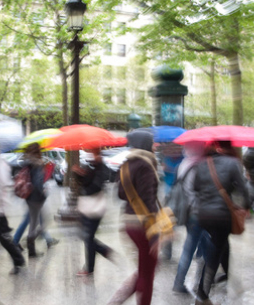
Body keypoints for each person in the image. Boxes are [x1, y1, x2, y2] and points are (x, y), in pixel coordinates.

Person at [190, 141, 248, 305]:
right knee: (214, 254)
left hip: (203, 215)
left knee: (220, 244)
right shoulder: (233, 163)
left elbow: (195, 187)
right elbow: (243, 188)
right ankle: (202, 294)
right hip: (222, 215)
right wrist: (246, 206)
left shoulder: (200, 164)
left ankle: (227, 274)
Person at [109, 131, 160, 305]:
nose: (154, 146)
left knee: (144, 269)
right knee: (147, 274)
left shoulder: (126, 165)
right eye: (152, 143)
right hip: (144, 225)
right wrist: (155, 236)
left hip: (129, 223)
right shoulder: (146, 165)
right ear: (146, 144)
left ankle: (116, 300)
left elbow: (121, 194)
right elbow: (149, 201)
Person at [172, 143, 210, 293]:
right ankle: (181, 283)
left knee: (203, 244)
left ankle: (205, 279)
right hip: (198, 212)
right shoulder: (199, 166)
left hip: (187, 211)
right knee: (191, 248)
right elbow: (202, 191)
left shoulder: (183, 163)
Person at [74, 147, 113, 276]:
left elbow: (95, 187)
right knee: (87, 237)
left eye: (94, 153)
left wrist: (84, 186)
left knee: (88, 237)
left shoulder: (101, 168)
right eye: (92, 153)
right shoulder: (93, 166)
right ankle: (103, 250)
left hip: (95, 208)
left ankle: (89, 268)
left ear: (98, 154)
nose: (92, 156)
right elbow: (85, 182)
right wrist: (78, 174)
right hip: (88, 207)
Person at [20, 143, 49, 258]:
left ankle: (31, 250)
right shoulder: (38, 164)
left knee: (33, 223)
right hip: (37, 197)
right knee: (44, 222)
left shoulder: (26, 162)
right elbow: (37, 182)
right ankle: (29, 241)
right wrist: (43, 191)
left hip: (28, 196)